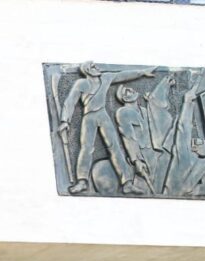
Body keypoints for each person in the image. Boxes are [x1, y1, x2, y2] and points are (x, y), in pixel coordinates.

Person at [56, 61, 156, 195]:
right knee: (86, 148)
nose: (97, 67)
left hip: (103, 115)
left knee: (115, 147)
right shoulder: (81, 84)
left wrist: (142, 72)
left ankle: (127, 183)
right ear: (87, 71)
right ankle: (82, 181)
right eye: (93, 67)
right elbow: (70, 102)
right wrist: (64, 121)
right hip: (89, 117)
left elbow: (122, 75)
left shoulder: (105, 78)